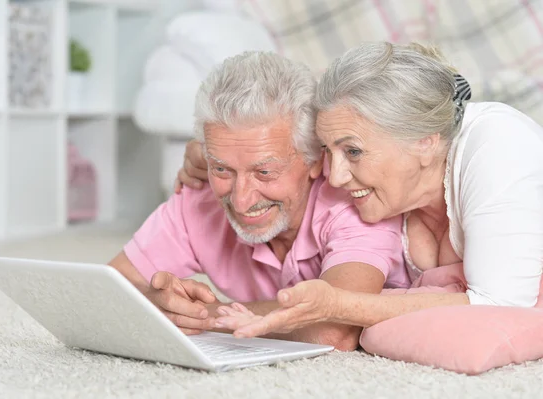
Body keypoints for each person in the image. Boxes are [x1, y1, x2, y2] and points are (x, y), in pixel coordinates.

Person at [175, 42, 543, 339]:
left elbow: (501, 305)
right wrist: (210, 157)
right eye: (327, 150)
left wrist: (340, 305)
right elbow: (283, 151)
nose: (333, 178)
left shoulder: (499, 146)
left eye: (352, 152)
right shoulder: (385, 183)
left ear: (425, 142)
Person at [108, 51, 410, 349]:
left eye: (264, 172)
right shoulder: (199, 193)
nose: (240, 201)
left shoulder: (355, 199)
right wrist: (154, 301)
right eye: (222, 168)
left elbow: (333, 329)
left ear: (316, 159)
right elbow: (108, 287)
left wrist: (205, 317)